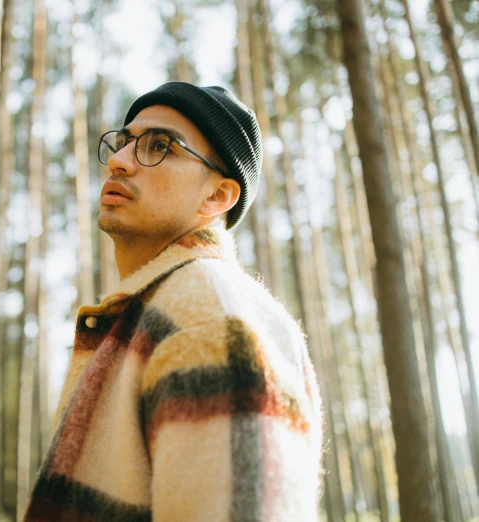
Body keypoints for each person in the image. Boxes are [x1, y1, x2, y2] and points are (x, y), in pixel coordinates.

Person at [23, 82, 323, 521]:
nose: (120, 162)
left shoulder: (210, 314)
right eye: (123, 143)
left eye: (159, 145)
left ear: (217, 196)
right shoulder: (163, 309)